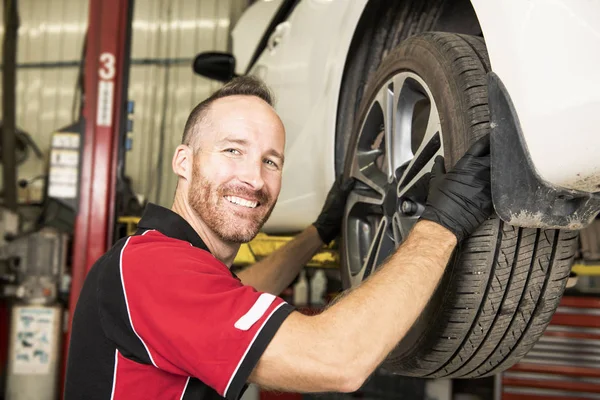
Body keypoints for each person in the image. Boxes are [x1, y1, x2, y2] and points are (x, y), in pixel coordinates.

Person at [64, 75, 492, 400]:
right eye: (233, 150)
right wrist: (442, 224)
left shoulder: (168, 262)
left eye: (271, 161)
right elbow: (336, 360)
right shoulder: (153, 267)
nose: (254, 178)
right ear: (184, 161)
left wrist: (317, 234)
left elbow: (237, 294)